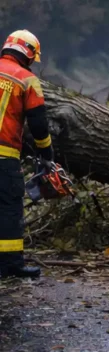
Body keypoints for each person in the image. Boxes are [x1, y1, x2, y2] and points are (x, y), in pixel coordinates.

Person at [0, 30, 54, 279]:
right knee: (9, 208)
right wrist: (46, 154)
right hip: (4, 157)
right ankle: (11, 265)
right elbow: (39, 125)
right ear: (29, 54)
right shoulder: (27, 79)